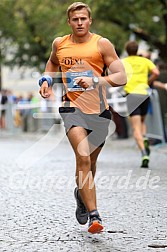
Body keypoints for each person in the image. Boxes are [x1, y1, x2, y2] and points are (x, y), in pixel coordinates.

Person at [38, 2, 127, 234]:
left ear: (90, 21)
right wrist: (46, 80)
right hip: (71, 108)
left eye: (83, 19)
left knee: (90, 164)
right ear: (69, 22)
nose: (79, 23)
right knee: (84, 157)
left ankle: (81, 194)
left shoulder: (102, 44)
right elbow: (52, 63)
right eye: (75, 19)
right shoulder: (60, 43)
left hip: (99, 110)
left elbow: (121, 76)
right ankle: (95, 216)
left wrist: (96, 81)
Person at [123, 41, 159, 168]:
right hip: (144, 94)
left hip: (131, 95)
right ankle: (144, 138)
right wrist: (148, 82)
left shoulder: (123, 62)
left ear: (127, 50)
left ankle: (143, 152)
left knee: (136, 127)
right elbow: (156, 73)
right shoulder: (145, 61)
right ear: (137, 50)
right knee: (142, 121)